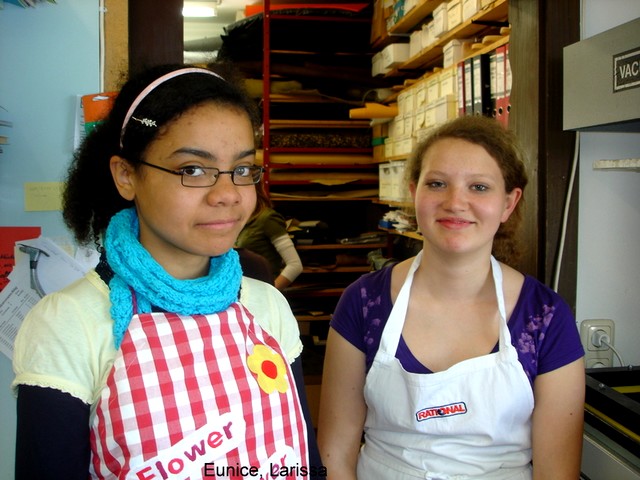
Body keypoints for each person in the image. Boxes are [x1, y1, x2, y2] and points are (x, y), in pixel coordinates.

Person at [12, 63, 325, 480]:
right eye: (192, 169)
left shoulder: (267, 306)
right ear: (127, 175)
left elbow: (306, 463)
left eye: (242, 169)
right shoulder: (68, 325)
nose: (228, 194)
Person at [317, 115, 585, 480]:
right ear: (414, 192)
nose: (456, 202)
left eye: (479, 187)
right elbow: (335, 454)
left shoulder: (545, 316)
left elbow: (556, 472)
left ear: (509, 203)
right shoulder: (363, 302)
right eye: (437, 183)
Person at [236, 190, 303, 290]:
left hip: (260, 292)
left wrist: (271, 293)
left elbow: (295, 265)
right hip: (240, 293)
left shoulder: (267, 219)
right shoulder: (234, 220)